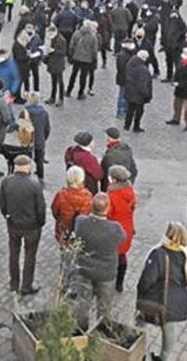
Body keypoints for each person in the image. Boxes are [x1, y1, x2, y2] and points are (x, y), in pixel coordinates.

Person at [137, 222, 187, 361]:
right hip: (176, 302)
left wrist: (140, 295)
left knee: (140, 323)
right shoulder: (186, 254)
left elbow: (147, 279)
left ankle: (139, 353)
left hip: (156, 300)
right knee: (169, 333)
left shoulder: (158, 254)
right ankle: (163, 358)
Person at [72, 193, 126, 330]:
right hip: (106, 274)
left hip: (85, 270)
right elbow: (123, 238)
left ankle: (80, 331)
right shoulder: (115, 229)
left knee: (82, 303)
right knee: (104, 307)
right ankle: (100, 333)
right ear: (108, 208)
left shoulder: (81, 222)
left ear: (91, 206)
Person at [0, 154, 46, 295]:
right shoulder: (35, 185)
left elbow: (2, 203)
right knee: (30, 256)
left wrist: (8, 216)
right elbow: (41, 209)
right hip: (32, 227)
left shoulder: (6, 181)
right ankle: (26, 286)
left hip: (13, 224)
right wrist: (40, 223)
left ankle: (14, 283)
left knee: (13, 254)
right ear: (27, 167)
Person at [106, 165, 137, 293]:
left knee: (110, 255)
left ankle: (109, 280)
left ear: (114, 179)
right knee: (122, 255)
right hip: (127, 228)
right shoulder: (130, 191)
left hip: (114, 230)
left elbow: (108, 213)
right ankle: (120, 283)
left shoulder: (112, 195)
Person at [51, 165, 93, 245]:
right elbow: (89, 213)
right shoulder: (88, 196)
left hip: (64, 229)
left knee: (65, 247)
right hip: (80, 230)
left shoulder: (61, 195)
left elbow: (55, 211)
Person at [166, 47, 187, 131]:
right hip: (179, 89)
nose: (183, 55)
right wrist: (174, 80)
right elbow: (176, 72)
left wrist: (179, 84)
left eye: (185, 54)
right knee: (176, 105)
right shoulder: (181, 62)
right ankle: (176, 119)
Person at [67, 20, 99, 100]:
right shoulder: (92, 37)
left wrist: (71, 55)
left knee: (73, 75)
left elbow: (71, 45)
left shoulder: (76, 33)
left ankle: (68, 90)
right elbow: (94, 50)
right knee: (83, 77)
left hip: (76, 58)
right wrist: (94, 59)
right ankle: (80, 93)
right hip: (87, 60)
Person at [124, 49, 153, 133]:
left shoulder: (130, 63)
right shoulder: (142, 69)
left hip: (130, 91)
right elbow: (142, 84)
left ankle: (127, 125)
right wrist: (146, 94)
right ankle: (136, 126)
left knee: (130, 109)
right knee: (139, 111)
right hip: (138, 94)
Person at [23, 92, 50, 183]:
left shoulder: (26, 111)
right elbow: (47, 128)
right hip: (39, 138)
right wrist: (44, 137)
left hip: (28, 139)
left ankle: (26, 177)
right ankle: (41, 178)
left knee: (27, 159)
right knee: (39, 160)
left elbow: (21, 126)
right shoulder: (44, 112)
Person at [100, 127, 138, 191]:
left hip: (113, 188)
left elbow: (105, 174)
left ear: (109, 138)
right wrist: (129, 183)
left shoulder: (109, 156)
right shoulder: (126, 149)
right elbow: (134, 170)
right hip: (125, 185)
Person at [44, 25, 68, 107]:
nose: (50, 35)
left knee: (60, 82)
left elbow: (63, 52)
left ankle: (61, 98)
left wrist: (53, 50)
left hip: (58, 64)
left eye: (51, 34)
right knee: (53, 81)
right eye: (49, 34)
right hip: (52, 63)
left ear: (55, 32)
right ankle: (52, 97)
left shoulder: (62, 40)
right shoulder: (51, 39)